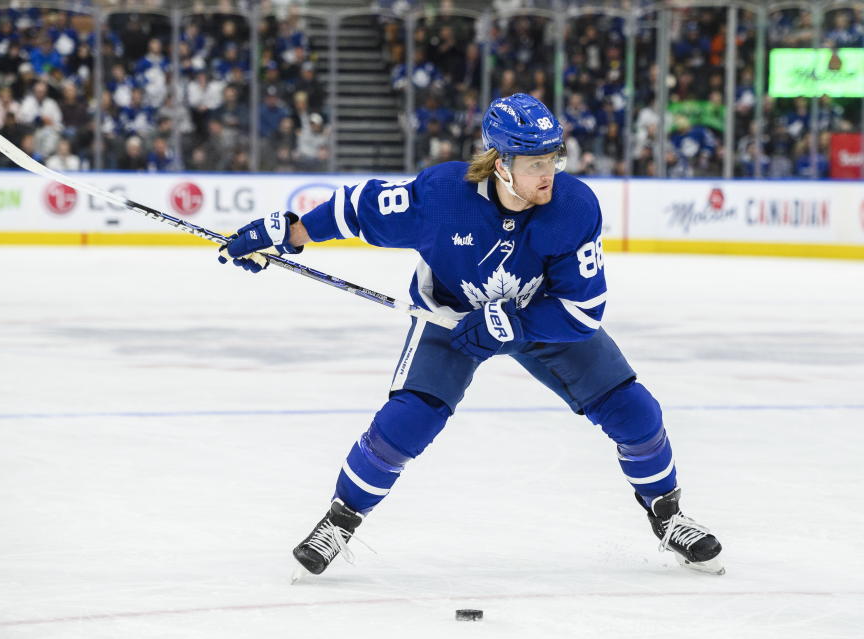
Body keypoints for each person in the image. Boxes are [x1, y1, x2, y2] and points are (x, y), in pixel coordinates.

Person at [218, 93, 724, 578]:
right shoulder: (442, 197)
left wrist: (515, 324)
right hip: (452, 319)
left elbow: (584, 309)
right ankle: (340, 521)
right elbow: (358, 208)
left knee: (636, 412)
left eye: (554, 158)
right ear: (500, 163)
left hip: (540, 317)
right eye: (534, 163)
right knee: (405, 423)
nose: (549, 173)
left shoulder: (573, 207)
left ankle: (667, 513)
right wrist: (287, 231)